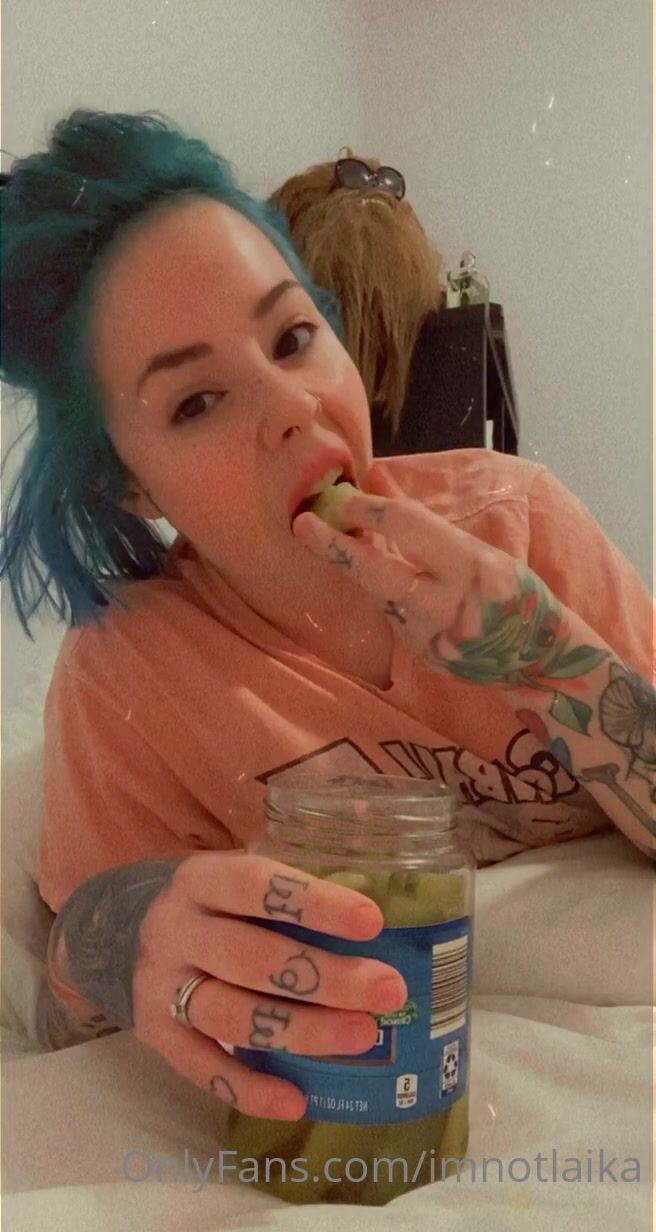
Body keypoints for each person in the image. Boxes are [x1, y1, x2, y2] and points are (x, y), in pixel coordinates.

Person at [1, 111, 653, 1123]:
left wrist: (544, 653)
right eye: (196, 401)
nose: (292, 407)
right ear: (128, 482)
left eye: (293, 337)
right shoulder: (132, 671)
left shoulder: (516, 522)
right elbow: (79, 1007)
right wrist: (121, 933)